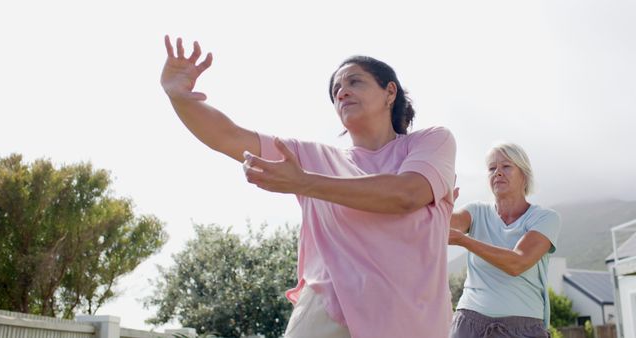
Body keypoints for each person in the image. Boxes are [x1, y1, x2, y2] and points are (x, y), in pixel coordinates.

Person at [160, 35, 456, 338]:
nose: (342, 93)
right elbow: (228, 136)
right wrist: (179, 97)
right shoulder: (311, 158)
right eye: (336, 90)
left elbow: (406, 194)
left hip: (413, 324)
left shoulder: (431, 142)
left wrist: (304, 182)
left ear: (389, 92)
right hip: (327, 315)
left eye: (355, 82)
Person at [448, 143, 561, 338]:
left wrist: (464, 241)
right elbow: (447, 224)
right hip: (469, 323)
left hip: (522, 328)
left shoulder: (545, 218)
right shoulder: (476, 211)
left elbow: (517, 263)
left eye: (506, 166)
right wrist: (443, 203)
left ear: (524, 175)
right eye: (492, 168)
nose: (497, 173)